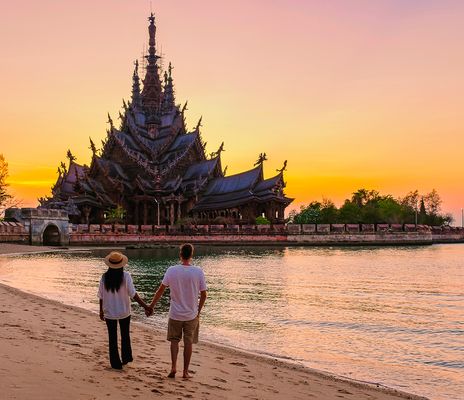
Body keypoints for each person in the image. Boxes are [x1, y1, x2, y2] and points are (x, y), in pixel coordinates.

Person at [146, 243, 207, 379]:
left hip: (175, 313)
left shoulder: (172, 270)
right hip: (191, 314)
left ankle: (173, 367)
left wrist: (151, 305)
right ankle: (185, 372)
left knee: (174, 341)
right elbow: (204, 294)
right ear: (191, 255)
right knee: (188, 342)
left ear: (180, 254)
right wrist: (198, 310)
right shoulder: (198, 271)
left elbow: (161, 290)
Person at [98, 251, 149, 369]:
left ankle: (115, 363)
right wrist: (145, 306)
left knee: (112, 337)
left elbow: (101, 296)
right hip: (124, 311)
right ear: (122, 264)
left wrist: (101, 311)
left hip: (109, 311)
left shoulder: (105, 277)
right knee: (125, 335)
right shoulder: (126, 276)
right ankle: (126, 358)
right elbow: (133, 294)